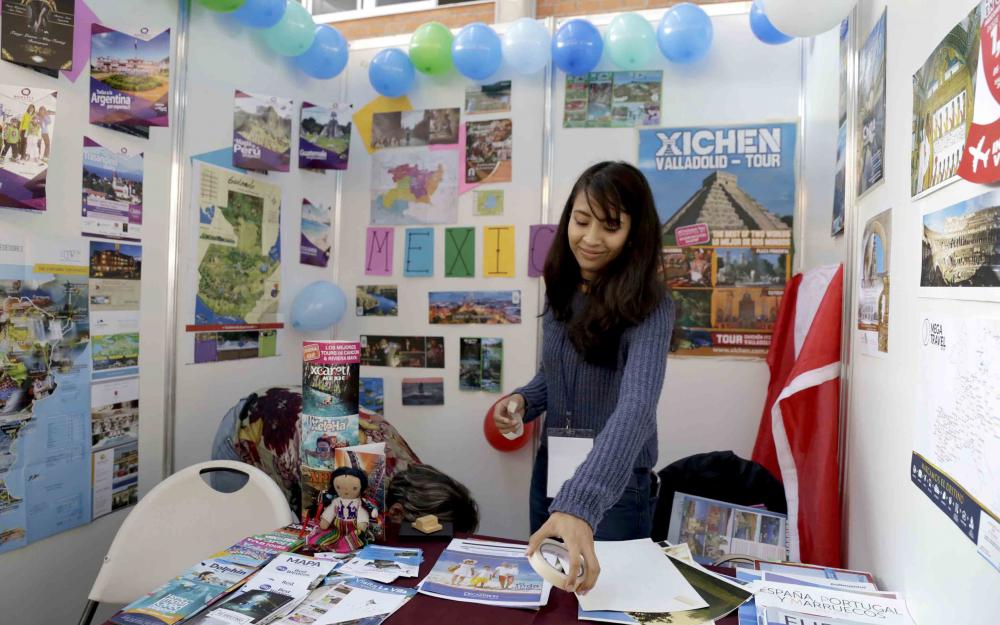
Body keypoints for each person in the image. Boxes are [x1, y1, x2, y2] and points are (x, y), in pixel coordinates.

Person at [494, 161, 674, 593]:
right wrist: (523, 400)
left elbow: (637, 406)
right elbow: (554, 374)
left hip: (613, 483)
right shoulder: (562, 288)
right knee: (550, 592)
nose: (591, 238)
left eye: (610, 226)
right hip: (552, 470)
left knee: (607, 599)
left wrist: (583, 502)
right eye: (581, 221)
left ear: (634, 232)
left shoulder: (652, 305)